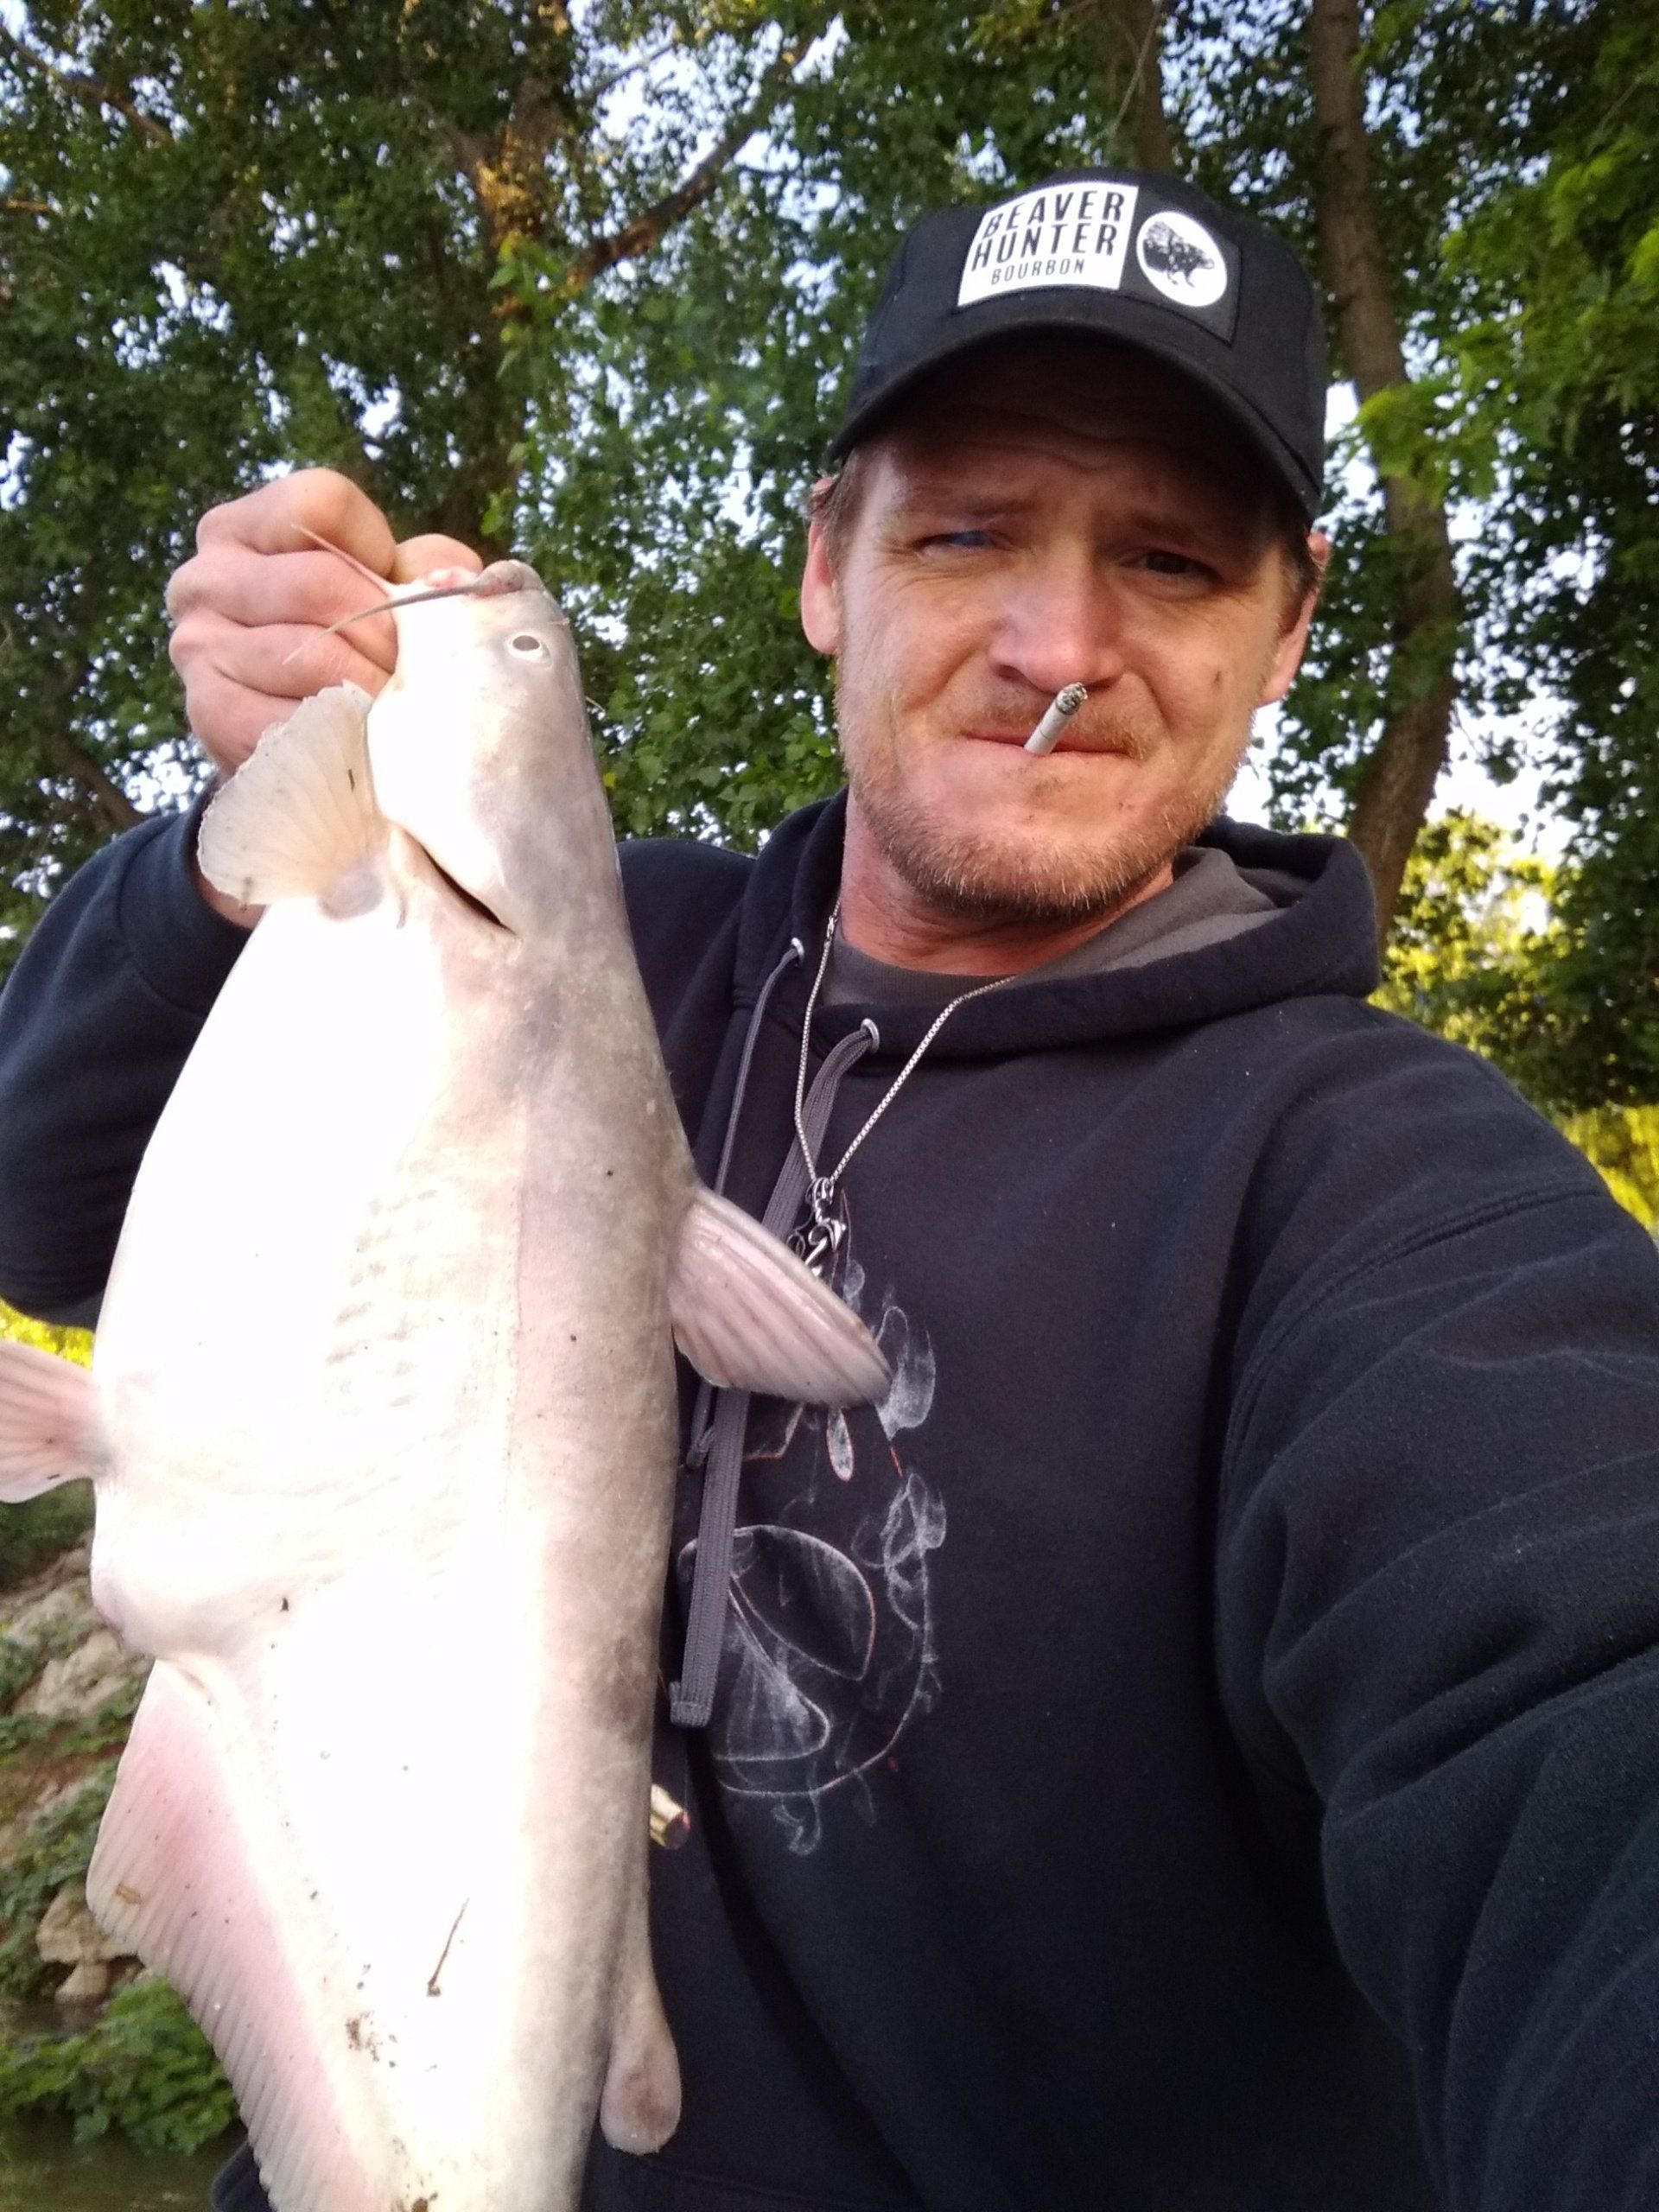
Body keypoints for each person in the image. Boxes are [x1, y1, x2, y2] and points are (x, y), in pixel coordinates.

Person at [2, 165, 1658, 2212]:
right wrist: (218, 853)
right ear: (826, 570)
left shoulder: (1373, 1185)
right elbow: (33, 1198)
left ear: (1290, 626)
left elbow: (1579, 1671)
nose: (1063, 640)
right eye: (969, 532)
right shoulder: (596, 942)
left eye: (1168, 558)